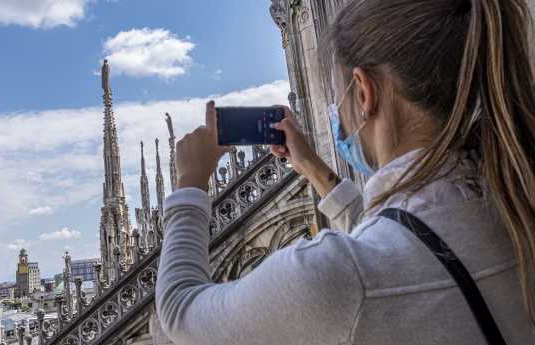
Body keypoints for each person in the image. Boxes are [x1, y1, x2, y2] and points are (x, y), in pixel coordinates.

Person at [155, 0, 535, 344]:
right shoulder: (511, 207)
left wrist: (190, 186)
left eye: (335, 96)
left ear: (364, 92)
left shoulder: (335, 278)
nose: (335, 112)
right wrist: (315, 170)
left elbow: (178, 312)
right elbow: (409, 245)